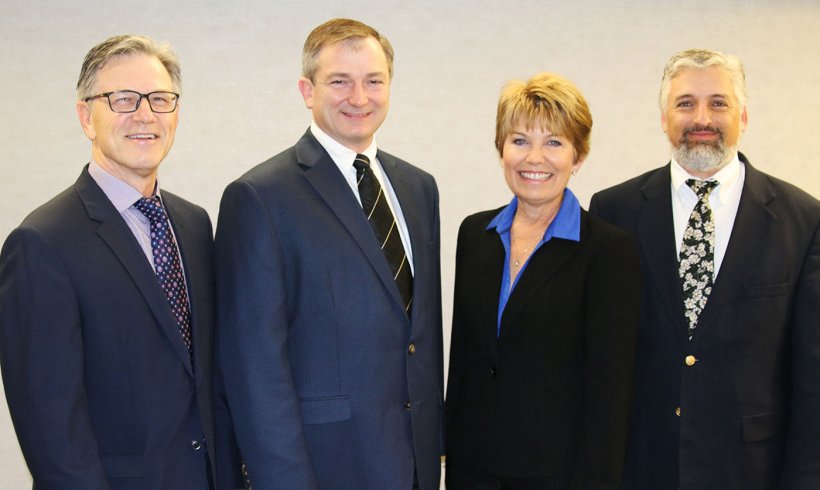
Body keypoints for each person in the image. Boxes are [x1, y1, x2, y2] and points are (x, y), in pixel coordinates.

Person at [0, 34, 244, 489]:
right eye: (123, 99)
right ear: (85, 117)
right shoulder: (41, 243)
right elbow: (51, 430)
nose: (145, 114)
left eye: (160, 99)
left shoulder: (193, 224)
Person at [214, 18, 443, 490]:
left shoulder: (419, 189)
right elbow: (254, 367)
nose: (359, 98)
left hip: (413, 463)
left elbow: (419, 336)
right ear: (307, 89)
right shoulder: (260, 197)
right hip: (324, 469)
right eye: (339, 81)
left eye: (373, 81)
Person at [589, 49, 820, 490]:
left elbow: (812, 378)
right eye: (685, 103)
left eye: (718, 102)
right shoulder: (613, 210)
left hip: (752, 471)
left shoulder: (804, 220)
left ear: (744, 116)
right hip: (641, 468)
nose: (702, 118)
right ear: (663, 118)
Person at [445, 73, 640, 489]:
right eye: (519, 140)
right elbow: (464, 360)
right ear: (501, 150)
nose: (535, 158)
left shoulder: (607, 250)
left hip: (558, 475)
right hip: (472, 468)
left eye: (554, 142)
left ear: (578, 156)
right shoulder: (474, 234)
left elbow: (611, 392)